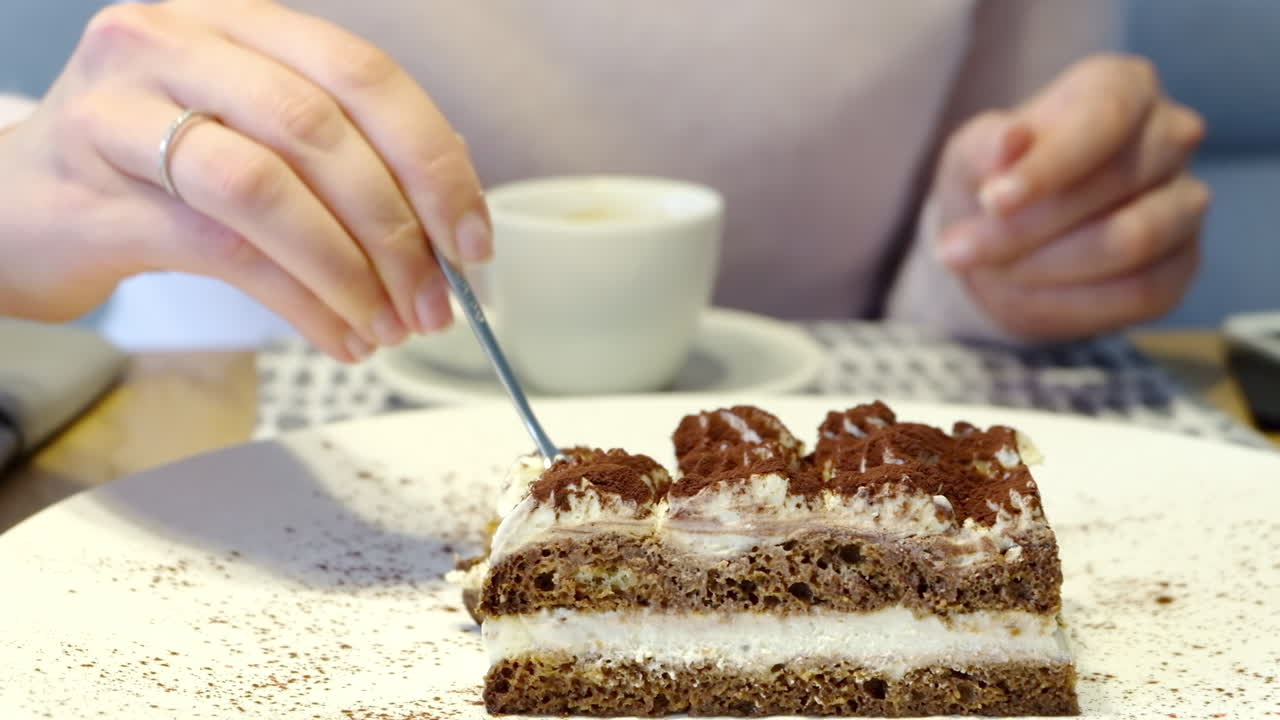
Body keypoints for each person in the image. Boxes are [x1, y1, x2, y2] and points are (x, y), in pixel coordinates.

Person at [0, 0, 1207, 363]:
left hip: (804, 472)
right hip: (215, 450)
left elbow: (1008, 191)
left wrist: (1004, 257)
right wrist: (20, 206)